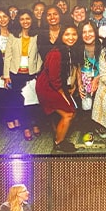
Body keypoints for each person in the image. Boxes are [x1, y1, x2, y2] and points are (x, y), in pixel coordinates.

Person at [36, 25, 79, 153]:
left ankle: (59, 136)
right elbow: (54, 79)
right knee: (68, 114)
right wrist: (63, 95)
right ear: (61, 36)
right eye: (67, 35)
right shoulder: (56, 53)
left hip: (56, 85)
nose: (71, 38)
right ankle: (58, 143)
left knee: (72, 111)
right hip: (47, 87)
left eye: (74, 34)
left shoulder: (68, 50)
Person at [3, 9, 44, 143]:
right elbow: (7, 56)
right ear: (18, 21)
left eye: (27, 18)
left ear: (32, 19)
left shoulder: (37, 35)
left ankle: (35, 123)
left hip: (32, 73)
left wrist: (38, 70)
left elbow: (40, 55)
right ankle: (26, 127)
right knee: (21, 103)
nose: (25, 21)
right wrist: (6, 75)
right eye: (22, 19)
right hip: (16, 74)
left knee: (34, 101)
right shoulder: (13, 36)